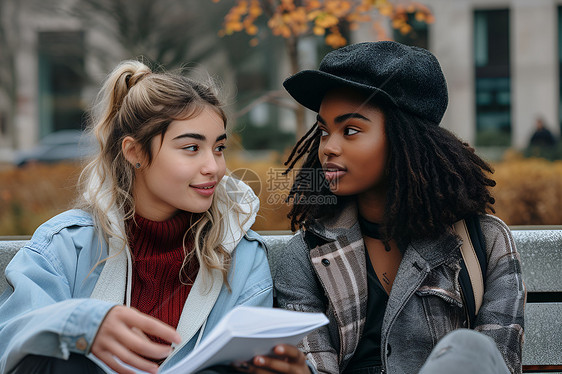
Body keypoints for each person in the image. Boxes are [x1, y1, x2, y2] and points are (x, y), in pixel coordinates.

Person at [0, 60, 277, 374]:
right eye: (191, 147)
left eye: (219, 147)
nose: (214, 167)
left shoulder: (243, 255)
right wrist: (83, 325)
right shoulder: (66, 244)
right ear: (134, 152)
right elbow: (8, 341)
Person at [273, 41, 526, 374]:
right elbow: (315, 364)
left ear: (405, 138)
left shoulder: (486, 244)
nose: (328, 148)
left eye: (350, 130)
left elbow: (498, 362)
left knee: (469, 348)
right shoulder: (307, 255)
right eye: (323, 131)